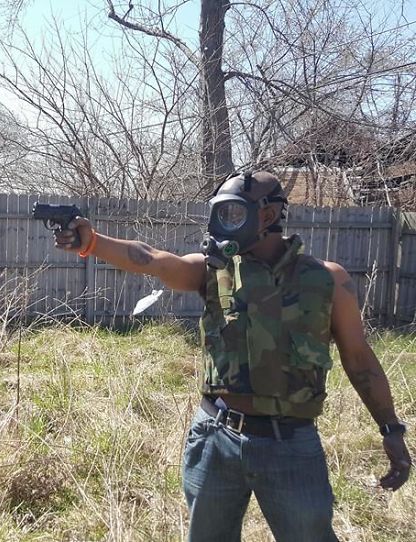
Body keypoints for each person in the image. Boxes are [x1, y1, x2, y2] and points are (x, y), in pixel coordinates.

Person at [54, 171, 411, 541]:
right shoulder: (212, 271)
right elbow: (152, 260)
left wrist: (390, 428)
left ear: (268, 216)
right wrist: (92, 241)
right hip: (215, 436)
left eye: (234, 213)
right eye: (219, 213)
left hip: (290, 443)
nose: (224, 223)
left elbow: (360, 360)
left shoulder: (326, 280)